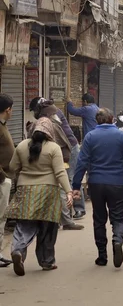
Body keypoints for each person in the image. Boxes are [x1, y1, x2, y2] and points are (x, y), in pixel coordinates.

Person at [72, 108, 123, 268]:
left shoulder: (90, 137)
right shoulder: (121, 136)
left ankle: (102, 256)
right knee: (118, 218)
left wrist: (76, 186)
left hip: (96, 184)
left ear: (97, 121)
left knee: (99, 219)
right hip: (117, 183)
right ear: (112, 120)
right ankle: (117, 240)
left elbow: (81, 163)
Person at [7, 117, 73, 276]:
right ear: (50, 131)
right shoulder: (53, 147)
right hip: (48, 192)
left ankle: (17, 250)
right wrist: (69, 192)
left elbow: (12, 167)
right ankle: (46, 262)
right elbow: (60, 173)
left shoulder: (22, 146)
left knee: (25, 224)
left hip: (25, 191)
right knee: (48, 228)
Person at [28, 100, 83, 232]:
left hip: (62, 158)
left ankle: (69, 217)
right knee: (63, 187)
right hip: (56, 159)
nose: (58, 114)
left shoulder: (49, 124)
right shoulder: (49, 123)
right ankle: (62, 219)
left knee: (65, 185)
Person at [0, 95, 14, 268]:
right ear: (8, 109)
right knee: (0, 217)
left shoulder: (3, 126)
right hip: (1, 179)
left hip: (5, 178)